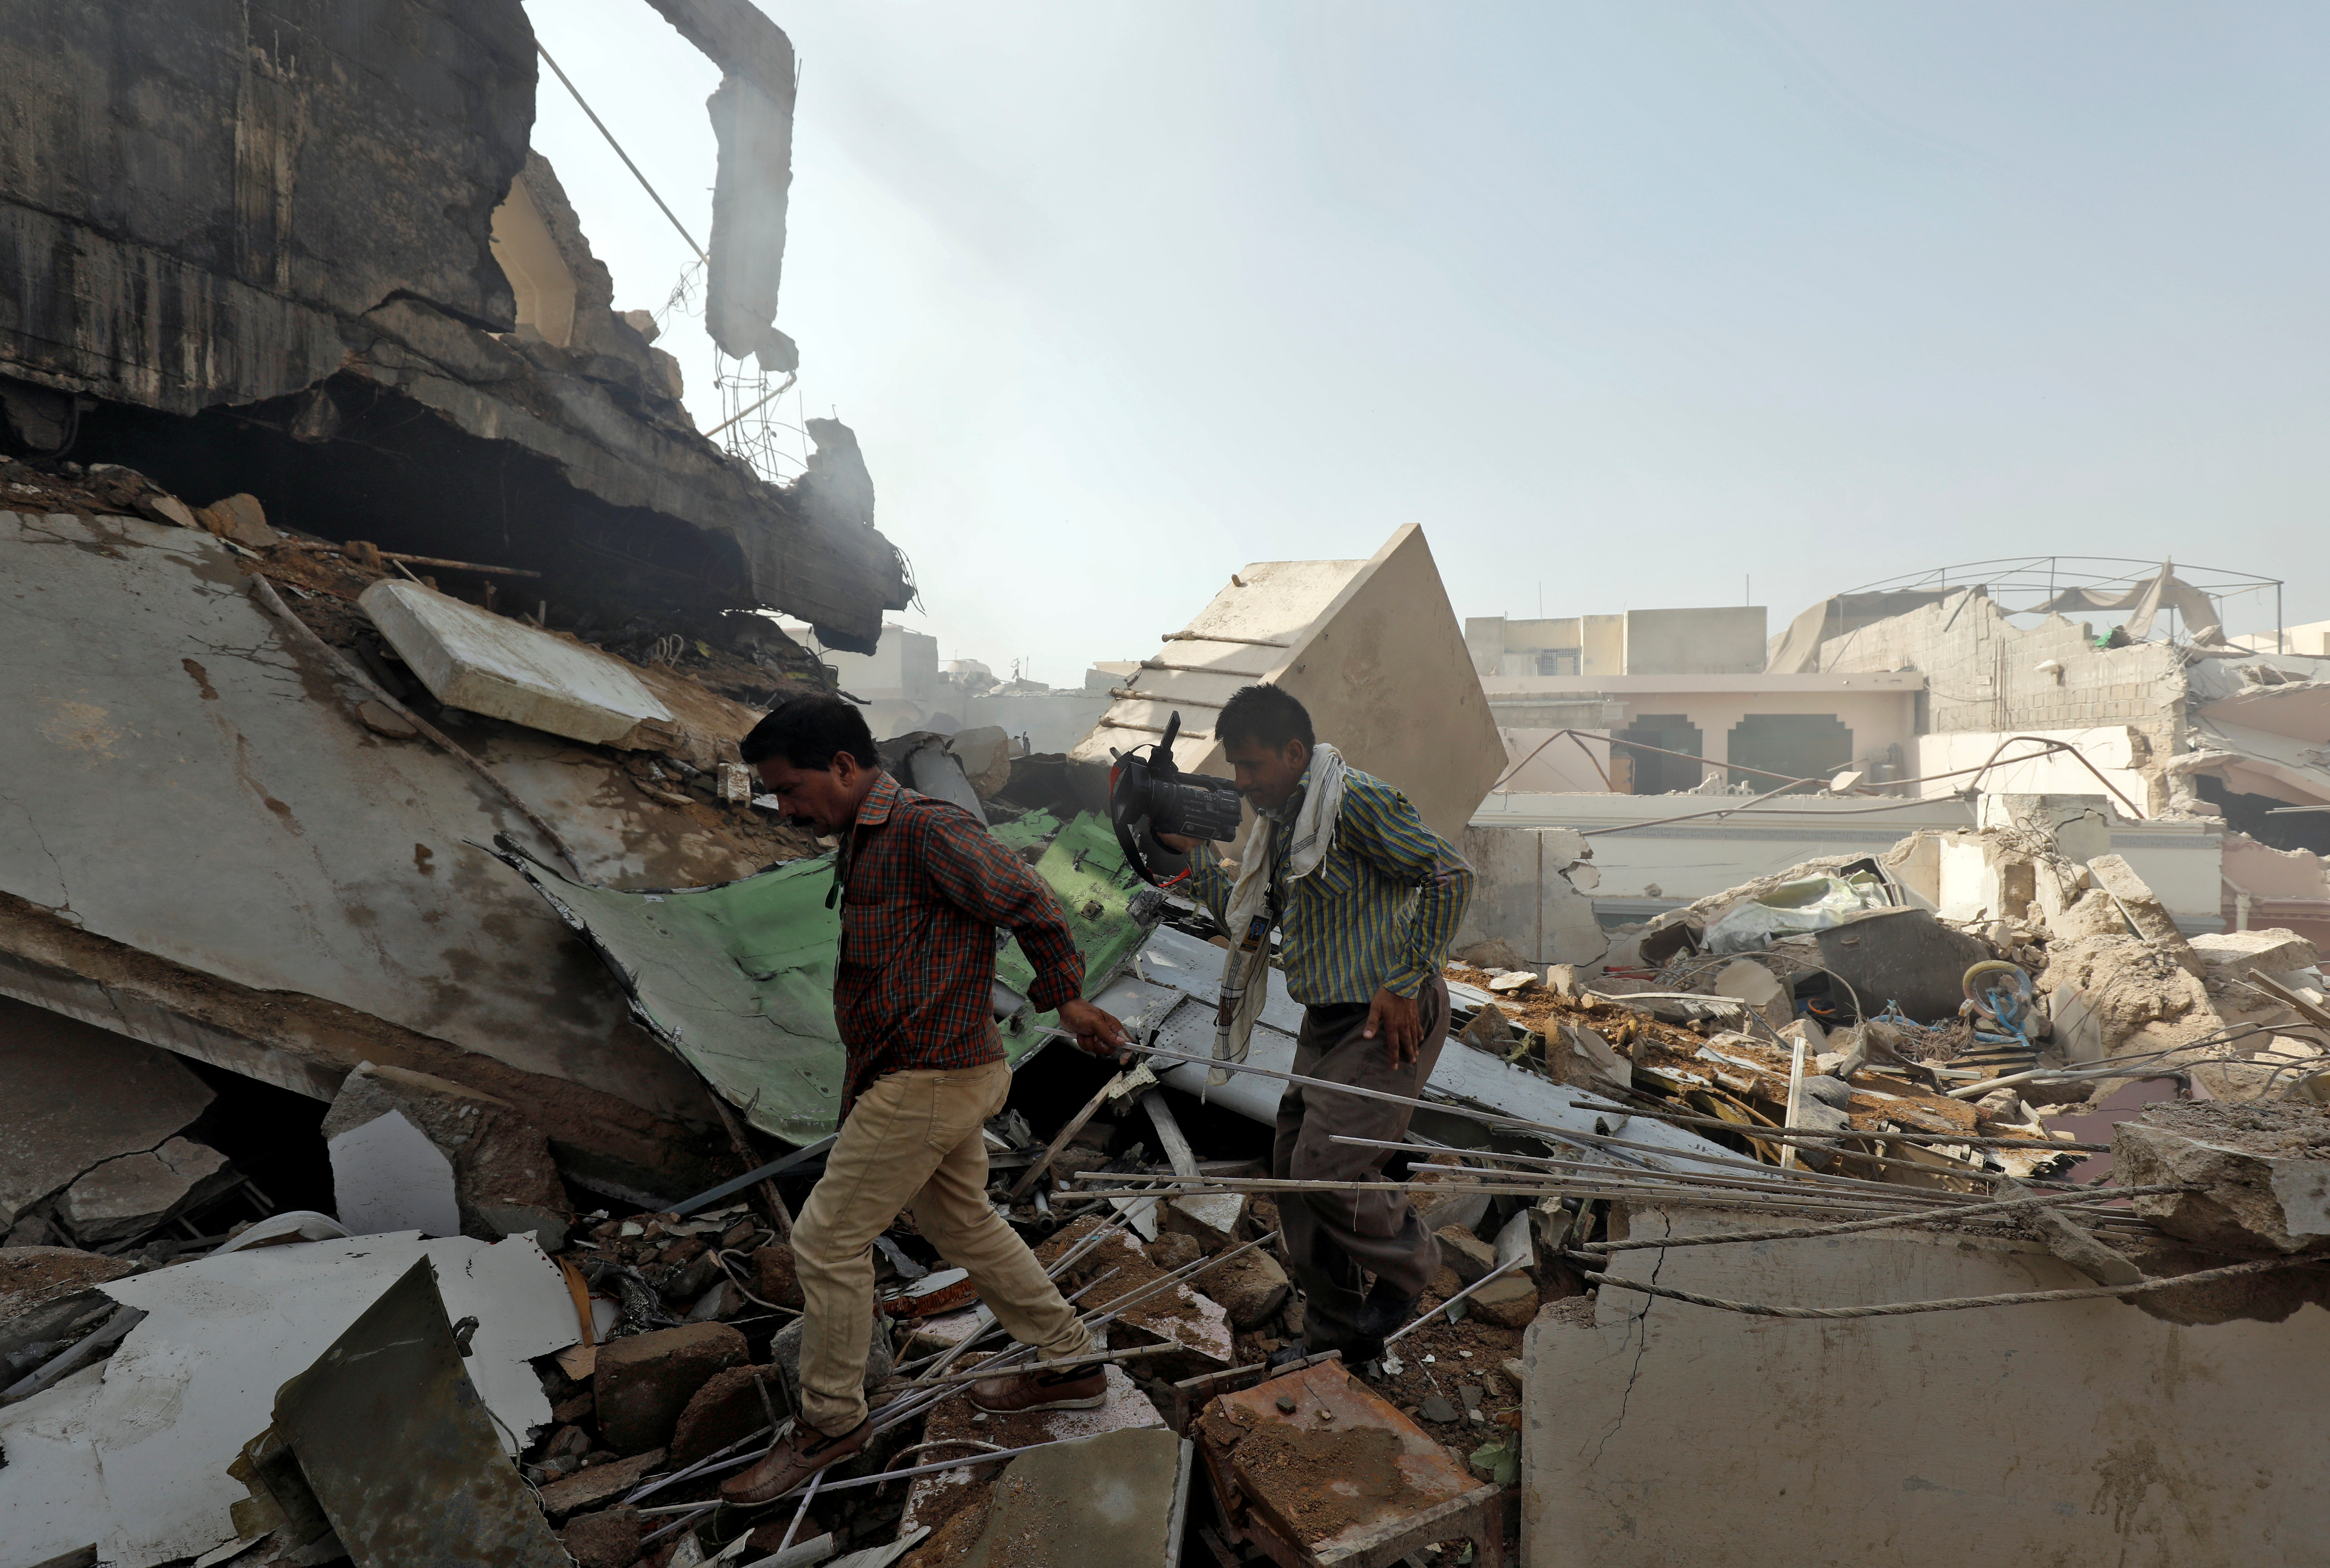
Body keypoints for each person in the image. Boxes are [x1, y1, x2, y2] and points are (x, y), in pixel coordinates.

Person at [720, 696, 1129, 1505]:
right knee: (959, 1221)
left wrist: (1067, 999)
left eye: (793, 789)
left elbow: (1031, 902)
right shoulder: (865, 838)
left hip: (932, 1076)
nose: (786, 809)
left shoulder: (925, 829)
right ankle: (1072, 1361)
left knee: (828, 1243)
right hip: (925, 1069)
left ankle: (832, 1423)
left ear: (843, 765)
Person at [1155, 683, 1472, 1368]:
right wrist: (1191, 859)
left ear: (1296, 753)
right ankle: (1340, 1330)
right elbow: (1251, 922)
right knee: (1293, 1172)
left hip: (1386, 1015)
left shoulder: (1355, 801)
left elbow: (1450, 874)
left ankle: (1412, 1262)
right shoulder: (1286, 829)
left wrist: (1405, 980)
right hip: (1328, 1021)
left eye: (1253, 766)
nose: (1241, 783)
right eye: (1235, 768)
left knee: (1329, 1169)